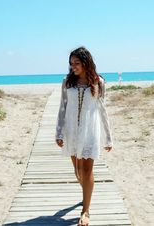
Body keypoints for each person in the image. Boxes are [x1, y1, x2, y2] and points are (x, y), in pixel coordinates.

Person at [55, 47, 114, 226]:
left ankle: (85, 210)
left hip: (90, 131)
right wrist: (59, 132)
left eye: (77, 63)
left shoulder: (98, 82)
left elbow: (102, 109)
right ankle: (85, 194)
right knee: (78, 171)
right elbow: (62, 107)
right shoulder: (67, 82)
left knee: (87, 170)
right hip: (72, 131)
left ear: (86, 63)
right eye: (71, 64)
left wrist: (108, 136)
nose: (73, 67)